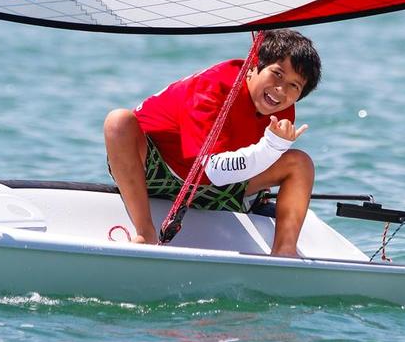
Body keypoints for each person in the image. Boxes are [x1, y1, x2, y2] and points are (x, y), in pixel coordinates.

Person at [104, 29, 321, 256]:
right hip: (159, 173)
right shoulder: (213, 87)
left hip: (221, 188)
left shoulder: (282, 108)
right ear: (254, 65)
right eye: (277, 74)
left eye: (294, 86)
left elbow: (224, 174)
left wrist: (272, 153)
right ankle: (144, 233)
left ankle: (284, 253)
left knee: (300, 163)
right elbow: (211, 171)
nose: (281, 90)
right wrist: (271, 148)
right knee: (118, 121)